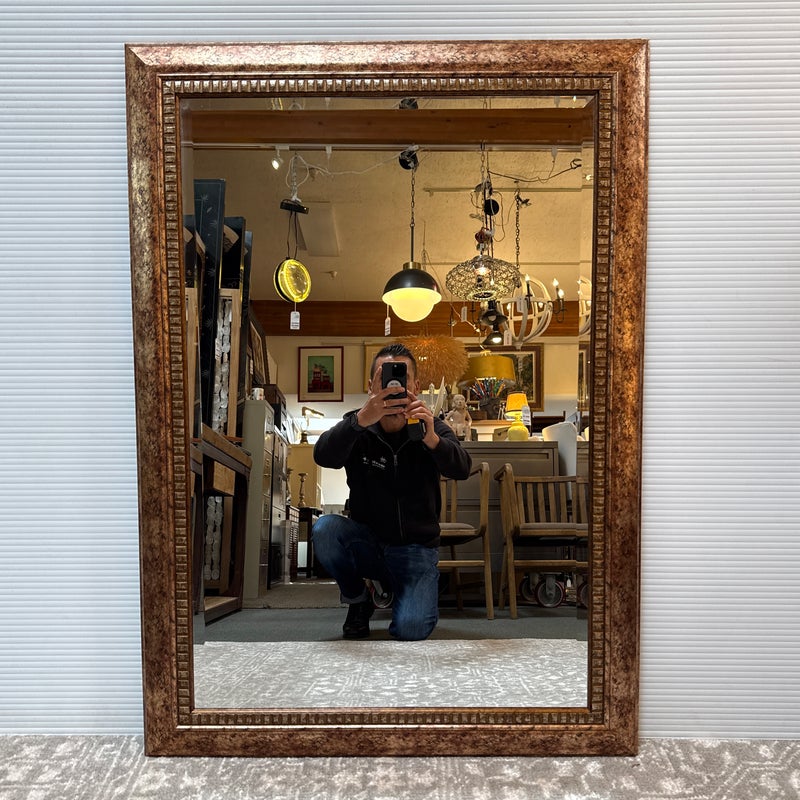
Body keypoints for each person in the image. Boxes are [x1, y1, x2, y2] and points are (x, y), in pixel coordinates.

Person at [311, 343, 472, 641]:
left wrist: (432, 440)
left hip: (415, 549)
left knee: (411, 629)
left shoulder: (431, 426)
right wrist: (359, 421)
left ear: (416, 386)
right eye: (384, 377)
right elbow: (323, 456)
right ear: (371, 386)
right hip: (368, 542)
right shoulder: (356, 425)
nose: (394, 385)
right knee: (325, 530)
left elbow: (462, 468)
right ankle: (359, 600)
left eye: (402, 378)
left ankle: (398, 590)